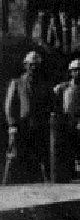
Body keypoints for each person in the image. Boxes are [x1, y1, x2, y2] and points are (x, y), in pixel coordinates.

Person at [4, 51, 56, 185]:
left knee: (41, 157)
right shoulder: (17, 83)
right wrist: (12, 125)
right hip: (21, 127)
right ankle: (7, 185)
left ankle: (46, 185)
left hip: (40, 127)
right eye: (31, 65)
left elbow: (52, 105)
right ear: (25, 65)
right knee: (15, 156)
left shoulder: (45, 85)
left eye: (37, 65)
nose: (34, 68)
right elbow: (10, 106)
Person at [53, 58, 80, 180]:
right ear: (71, 72)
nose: (78, 73)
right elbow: (54, 102)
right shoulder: (62, 88)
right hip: (67, 121)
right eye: (75, 70)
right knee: (68, 147)